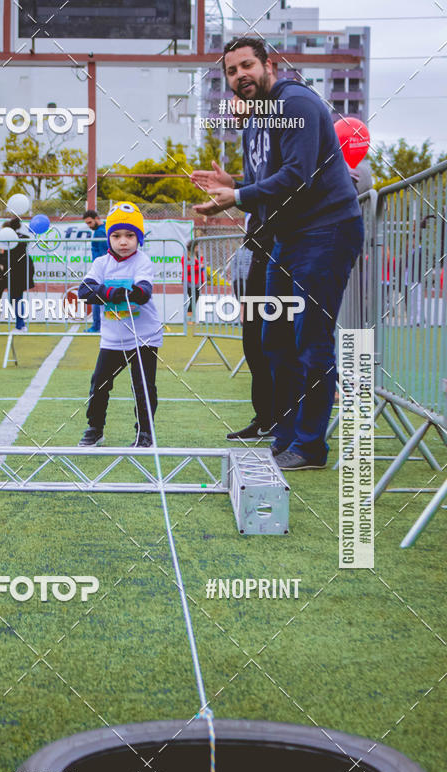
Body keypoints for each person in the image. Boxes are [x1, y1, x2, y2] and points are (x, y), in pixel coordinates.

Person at [191, 37, 364, 470]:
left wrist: (237, 194)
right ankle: (285, 437)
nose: (239, 76)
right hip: (285, 239)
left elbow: (297, 176)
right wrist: (232, 186)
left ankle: (310, 447)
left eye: (246, 65)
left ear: (269, 64)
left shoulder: (296, 102)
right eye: (231, 71)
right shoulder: (256, 121)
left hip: (326, 231)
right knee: (275, 341)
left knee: (311, 340)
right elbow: (264, 183)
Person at [77, 201, 162, 448]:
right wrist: (109, 292)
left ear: (139, 238)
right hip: (113, 339)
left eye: (129, 235)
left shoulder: (142, 261)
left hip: (144, 336)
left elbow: (143, 291)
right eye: (116, 235)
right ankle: (95, 428)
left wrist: (129, 292)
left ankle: (145, 433)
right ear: (109, 238)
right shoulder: (101, 264)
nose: (123, 241)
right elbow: (85, 290)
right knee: (100, 382)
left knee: (144, 386)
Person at [226, 211, 276, 440]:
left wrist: (236, 191)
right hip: (260, 258)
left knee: (280, 352)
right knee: (254, 349)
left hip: (280, 259)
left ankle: (287, 424)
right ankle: (265, 419)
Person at [0, 217, 34, 332]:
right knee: (16, 299)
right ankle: (20, 324)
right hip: (21, 272)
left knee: (16, 299)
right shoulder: (21, 240)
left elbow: (5, 259)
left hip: (15, 273)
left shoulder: (10, 242)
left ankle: (20, 325)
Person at [83, 209, 107, 332]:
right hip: (103, 269)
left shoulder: (100, 233)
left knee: (96, 296)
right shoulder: (105, 229)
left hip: (101, 271)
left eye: (90, 222)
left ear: (96, 218)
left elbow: (103, 254)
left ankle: (96, 326)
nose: (89, 226)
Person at [182, 240, 205, 316]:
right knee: (193, 299)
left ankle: (192, 317)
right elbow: (187, 269)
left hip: (198, 281)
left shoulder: (199, 256)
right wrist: (198, 267)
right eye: (196, 247)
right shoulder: (185, 257)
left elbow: (201, 269)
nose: (198, 248)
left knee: (195, 299)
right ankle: (189, 318)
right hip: (189, 281)